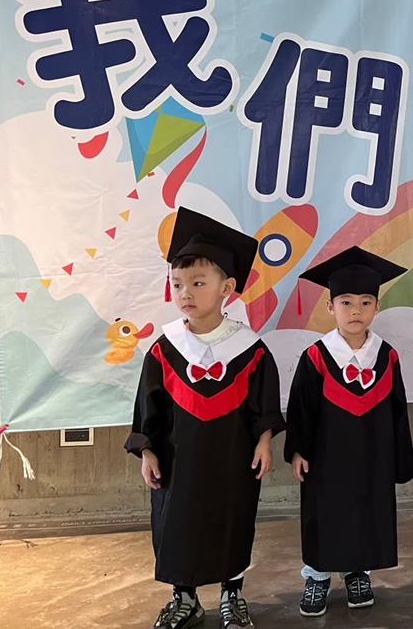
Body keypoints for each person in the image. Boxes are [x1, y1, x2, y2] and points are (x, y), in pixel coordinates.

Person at [126, 207, 285, 629]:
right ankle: (185, 598)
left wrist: (264, 441)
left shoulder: (249, 349)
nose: (186, 293)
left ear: (226, 288)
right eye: (178, 284)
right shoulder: (165, 348)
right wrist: (146, 451)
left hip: (233, 459)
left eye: (198, 283)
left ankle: (233, 594)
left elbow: (264, 404)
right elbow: (148, 407)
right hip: (177, 461)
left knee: (232, 520)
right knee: (177, 524)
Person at [285, 246, 413, 617]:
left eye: (365, 302)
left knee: (366, 512)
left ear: (377, 307)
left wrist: (398, 458)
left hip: (373, 454)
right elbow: (301, 409)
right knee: (324, 514)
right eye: (345, 302)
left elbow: (398, 409)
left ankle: (358, 571)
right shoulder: (316, 356)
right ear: (331, 307)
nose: (355, 310)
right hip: (326, 457)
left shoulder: (386, 356)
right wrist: (298, 450)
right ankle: (317, 575)